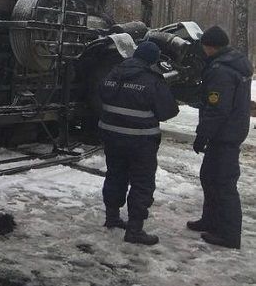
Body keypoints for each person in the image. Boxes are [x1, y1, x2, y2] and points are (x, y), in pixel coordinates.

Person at [99, 41, 179, 245]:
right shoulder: (152, 80)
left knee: (115, 175)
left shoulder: (113, 74)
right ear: (152, 60)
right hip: (140, 141)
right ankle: (135, 230)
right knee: (142, 183)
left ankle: (112, 217)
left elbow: (100, 96)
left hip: (112, 138)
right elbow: (168, 111)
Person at [189, 26, 252, 250]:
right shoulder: (234, 62)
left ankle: (229, 234)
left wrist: (202, 135)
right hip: (229, 131)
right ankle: (211, 220)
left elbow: (217, 109)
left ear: (210, 46)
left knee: (224, 184)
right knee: (209, 177)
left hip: (224, 134)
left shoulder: (221, 70)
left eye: (205, 46)